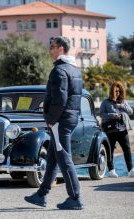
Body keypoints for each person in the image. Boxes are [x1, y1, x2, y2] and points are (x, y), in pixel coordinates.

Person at [24, 36, 84, 210]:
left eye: (52, 47)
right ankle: (41, 195)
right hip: (69, 119)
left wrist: (50, 120)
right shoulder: (75, 70)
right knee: (52, 158)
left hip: (59, 122)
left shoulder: (59, 71)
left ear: (60, 49)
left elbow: (60, 100)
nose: (49, 50)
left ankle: (75, 197)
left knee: (64, 158)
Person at [100, 81, 134, 178]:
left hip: (123, 130)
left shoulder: (123, 102)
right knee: (110, 150)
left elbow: (131, 112)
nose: (117, 93)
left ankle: (131, 170)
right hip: (111, 130)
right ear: (112, 91)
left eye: (119, 91)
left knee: (127, 149)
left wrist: (121, 106)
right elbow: (102, 114)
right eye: (116, 91)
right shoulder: (106, 102)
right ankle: (111, 171)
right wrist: (113, 115)